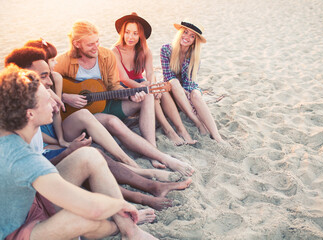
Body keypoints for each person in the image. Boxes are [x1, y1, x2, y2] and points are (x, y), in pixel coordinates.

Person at [4, 46, 193, 211]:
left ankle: (146, 171)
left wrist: (63, 137)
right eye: (44, 75)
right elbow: (35, 160)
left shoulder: (47, 86)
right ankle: (141, 185)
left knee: (99, 139)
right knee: (91, 156)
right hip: (42, 168)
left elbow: (54, 118)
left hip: (53, 141)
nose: (50, 80)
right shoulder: (15, 112)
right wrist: (66, 147)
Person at [0, 65, 158, 240]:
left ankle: (130, 231)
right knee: (78, 217)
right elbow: (92, 208)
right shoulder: (21, 157)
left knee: (89, 155)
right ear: (29, 114)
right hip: (15, 233)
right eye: (48, 100)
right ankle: (120, 227)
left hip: (30, 203)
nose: (55, 103)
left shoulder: (10, 129)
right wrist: (120, 205)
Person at [55, 20, 194, 176]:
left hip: (107, 103)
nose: (96, 48)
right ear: (77, 44)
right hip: (84, 115)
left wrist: (130, 95)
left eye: (97, 42)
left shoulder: (105, 55)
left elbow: (114, 87)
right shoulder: (63, 61)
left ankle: (151, 149)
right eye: (90, 45)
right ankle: (152, 157)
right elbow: (44, 88)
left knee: (147, 95)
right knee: (113, 122)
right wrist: (65, 96)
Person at [112, 12, 196, 146]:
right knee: (151, 91)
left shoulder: (145, 50)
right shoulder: (115, 51)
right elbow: (125, 79)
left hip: (142, 84)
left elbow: (150, 73)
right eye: (127, 32)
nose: (130, 37)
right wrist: (147, 87)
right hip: (125, 90)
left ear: (141, 35)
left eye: (135, 33)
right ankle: (169, 130)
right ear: (122, 32)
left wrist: (151, 84)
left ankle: (181, 130)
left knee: (160, 90)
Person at [160, 19, 224, 142]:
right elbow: (168, 76)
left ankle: (217, 136)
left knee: (196, 96)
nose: (187, 37)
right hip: (171, 89)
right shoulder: (166, 50)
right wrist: (181, 89)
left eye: (192, 36)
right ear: (180, 33)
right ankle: (198, 122)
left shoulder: (194, 57)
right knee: (174, 82)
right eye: (185, 32)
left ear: (195, 40)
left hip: (187, 89)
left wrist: (188, 94)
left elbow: (190, 83)